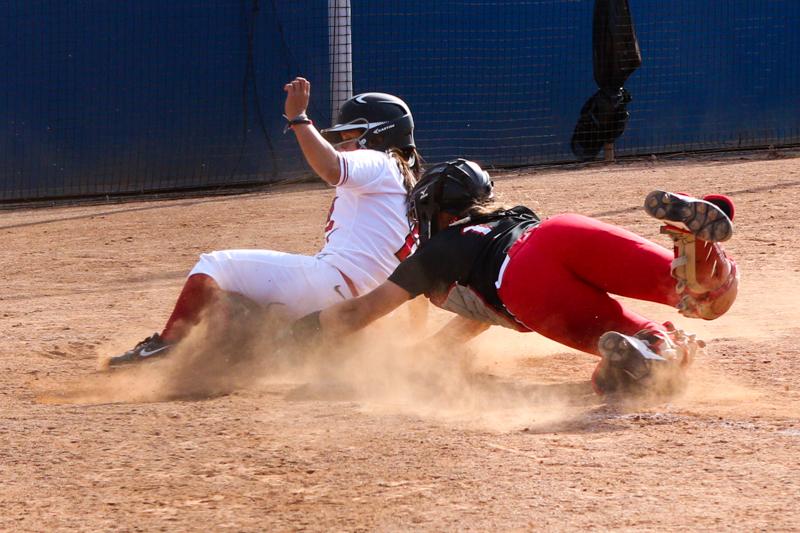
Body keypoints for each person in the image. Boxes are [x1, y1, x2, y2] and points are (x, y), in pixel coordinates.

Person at [287, 158, 740, 395]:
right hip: (560, 231)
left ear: (434, 213)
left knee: (626, 372)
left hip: (522, 282)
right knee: (703, 298)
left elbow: (358, 313)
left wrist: (290, 337)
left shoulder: (438, 251)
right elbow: (476, 319)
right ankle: (698, 247)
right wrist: (428, 353)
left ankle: (647, 354)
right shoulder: (512, 215)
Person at [107, 77, 423, 366]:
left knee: (216, 266)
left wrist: (299, 119)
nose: (345, 143)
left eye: (352, 135)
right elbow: (414, 277)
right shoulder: (410, 192)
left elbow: (331, 168)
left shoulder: (381, 161)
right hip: (360, 310)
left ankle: (164, 347)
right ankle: (236, 357)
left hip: (330, 285)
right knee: (243, 300)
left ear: (380, 135)